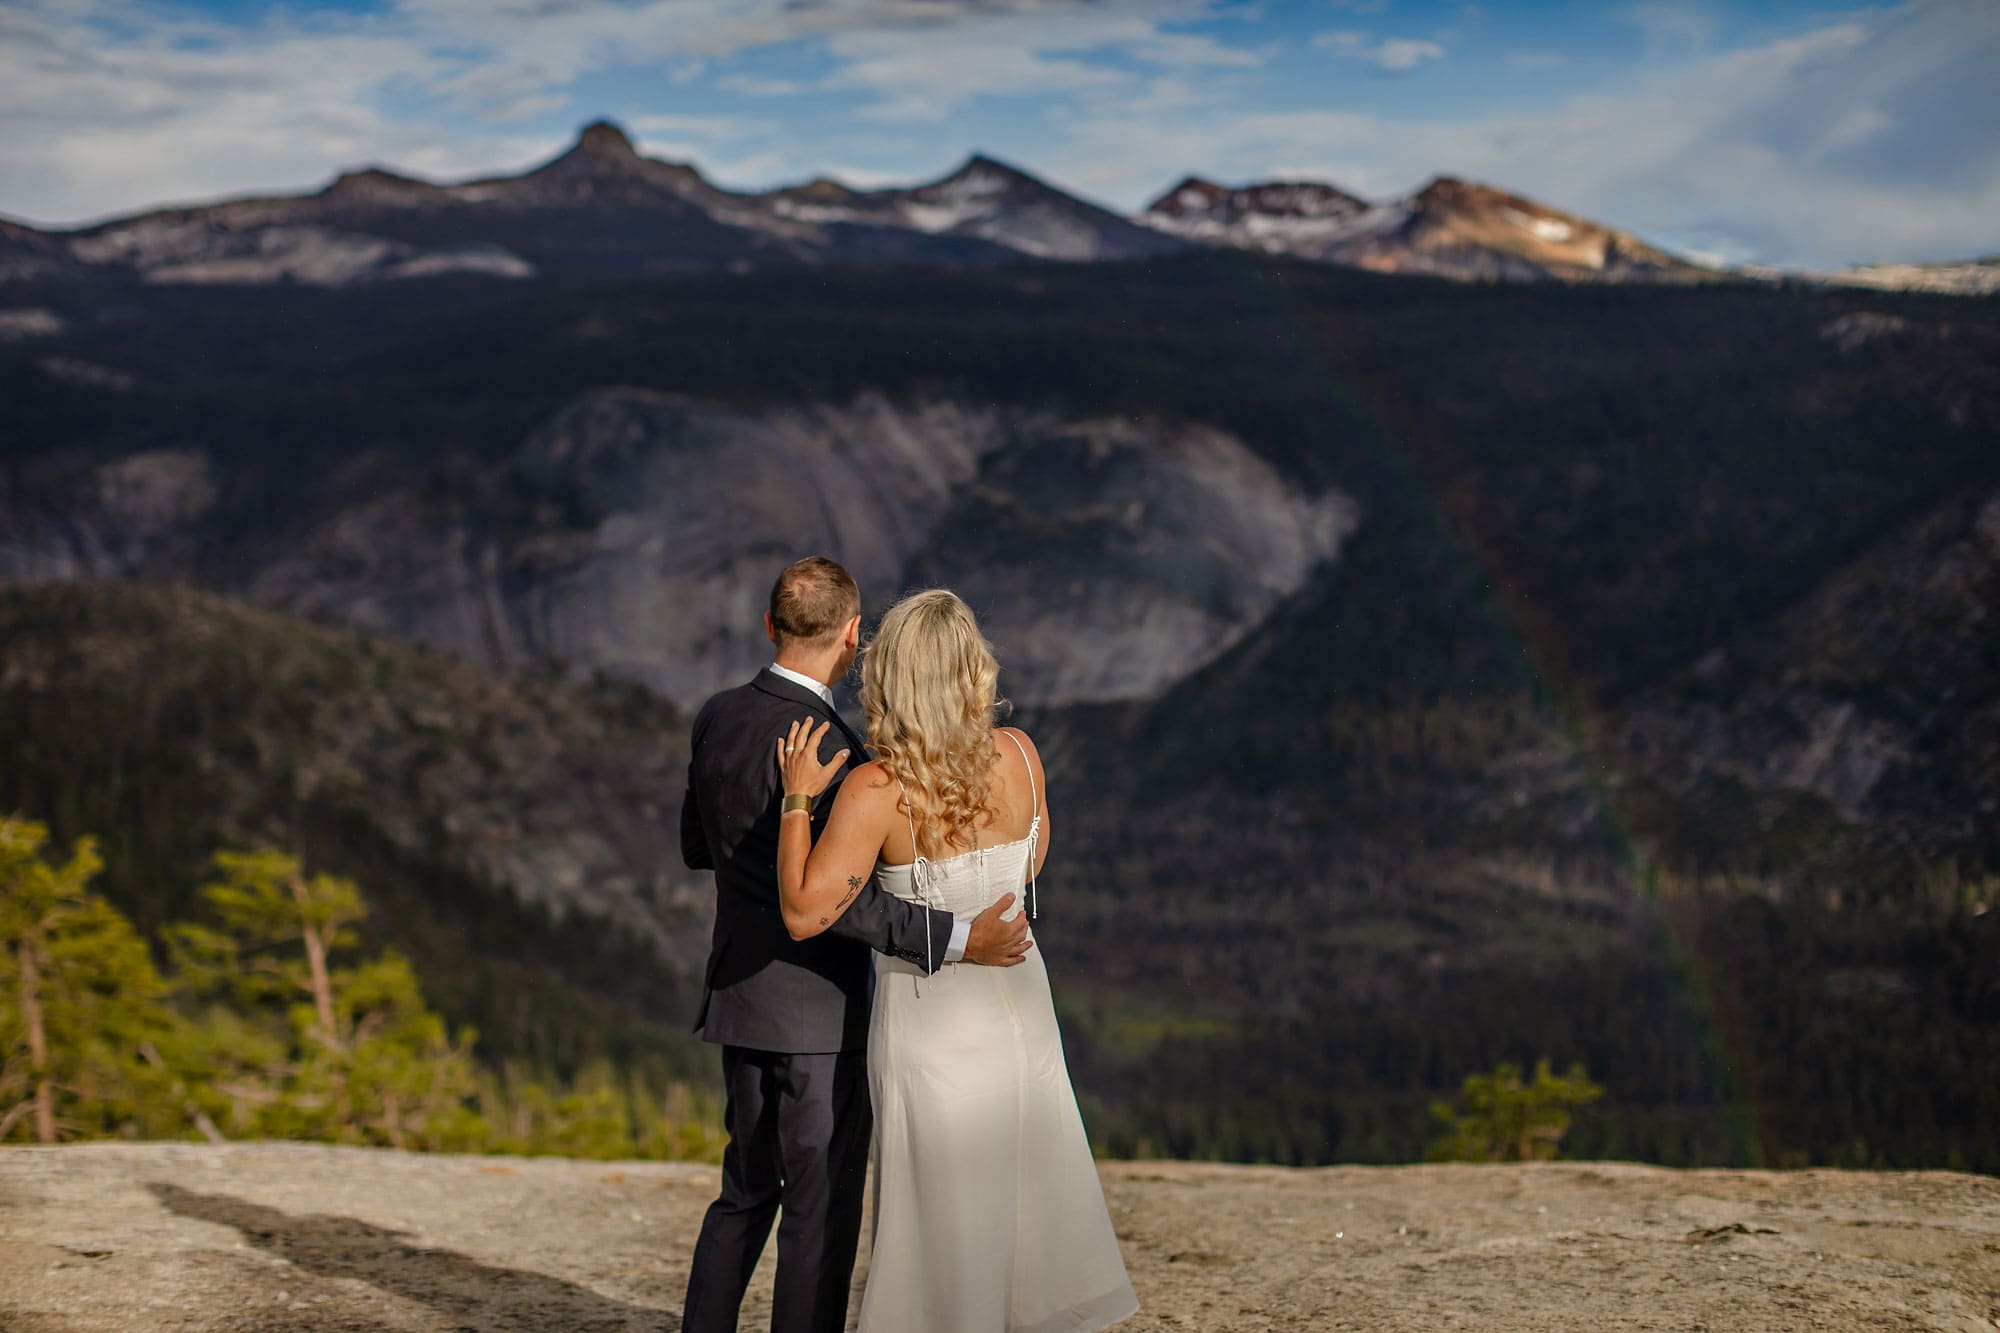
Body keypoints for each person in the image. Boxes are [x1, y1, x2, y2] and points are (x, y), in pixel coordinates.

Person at [680, 559, 1033, 1333]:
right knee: (819, 1213)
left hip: (741, 1002)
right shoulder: (841, 751)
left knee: (742, 1194)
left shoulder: (717, 716)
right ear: (849, 635)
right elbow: (852, 904)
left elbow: (697, 847)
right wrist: (955, 937)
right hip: (822, 1022)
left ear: (770, 626)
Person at [776, 588, 1139, 1332]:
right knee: (1023, 1199)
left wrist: (794, 802)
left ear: (890, 679)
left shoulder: (875, 790)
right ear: (974, 672)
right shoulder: (1022, 755)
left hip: (929, 1022)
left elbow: (805, 910)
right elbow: (1032, 859)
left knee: (937, 1221)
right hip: (1020, 1008)